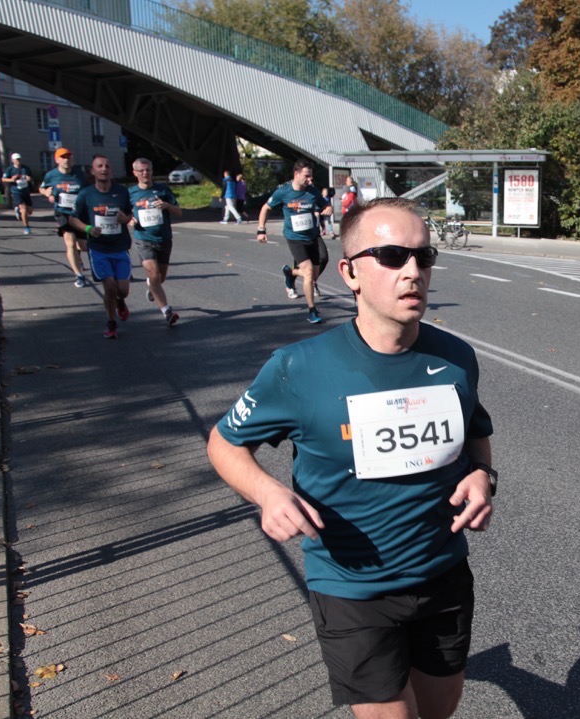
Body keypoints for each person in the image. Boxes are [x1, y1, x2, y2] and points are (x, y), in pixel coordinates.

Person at [207, 196, 496, 719]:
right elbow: (225, 443)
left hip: (443, 573)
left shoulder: (456, 358)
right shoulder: (298, 368)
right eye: (391, 256)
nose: (412, 271)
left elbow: (476, 433)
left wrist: (482, 476)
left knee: (440, 709)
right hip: (351, 587)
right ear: (350, 273)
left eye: (423, 257)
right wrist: (268, 493)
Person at [256, 159, 328, 324]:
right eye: (306, 176)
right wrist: (261, 229)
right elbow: (266, 208)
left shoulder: (313, 191)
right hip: (295, 238)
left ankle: (290, 273)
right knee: (308, 273)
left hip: (313, 236)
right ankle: (312, 311)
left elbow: (324, 205)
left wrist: (328, 208)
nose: (310, 179)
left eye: (311, 176)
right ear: (296, 174)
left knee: (315, 272)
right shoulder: (283, 192)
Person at [70, 155, 134, 339]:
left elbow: (130, 214)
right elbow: (73, 219)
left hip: (120, 247)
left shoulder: (121, 192)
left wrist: (126, 219)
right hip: (98, 249)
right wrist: (88, 229)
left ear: (111, 170)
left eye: (107, 166)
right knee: (110, 286)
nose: (104, 169)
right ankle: (111, 322)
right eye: (99, 166)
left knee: (123, 290)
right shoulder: (86, 194)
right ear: (93, 171)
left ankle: (120, 302)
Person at [129, 158, 182, 326]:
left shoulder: (163, 190)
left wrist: (166, 205)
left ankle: (152, 287)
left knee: (161, 278)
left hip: (164, 238)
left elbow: (179, 212)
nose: (145, 173)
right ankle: (167, 312)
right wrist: (129, 220)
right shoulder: (130, 193)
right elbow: (124, 213)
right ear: (135, 173)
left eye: (148, 170)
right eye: (141, 171)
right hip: (144, 239)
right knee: (154, 274)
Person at [39, 148, 92, 287]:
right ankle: (79, 275)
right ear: (57, 160)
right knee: (70, 241)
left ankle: (77, 254)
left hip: (79, 213)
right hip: (63, 212)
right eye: (63, 157)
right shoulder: (51, 175)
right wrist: (46, 192)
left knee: (84, 245)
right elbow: (42, 188)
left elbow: (89, 190)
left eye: (68, 157)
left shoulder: (79, 174)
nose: (66, 160)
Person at [2, 152, 34, 235]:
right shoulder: (10, 169)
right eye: (16, 159)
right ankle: (27, 227)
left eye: (19, 159)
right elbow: (3, 179)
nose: (18, 161)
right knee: (24, 209)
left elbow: (31, 178)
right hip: (16, 192)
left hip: (26, 191)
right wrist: (11, 179)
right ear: (12, 160)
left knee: (29, 211)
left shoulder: (25, 168)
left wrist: (29, 178)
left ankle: (17, 210)